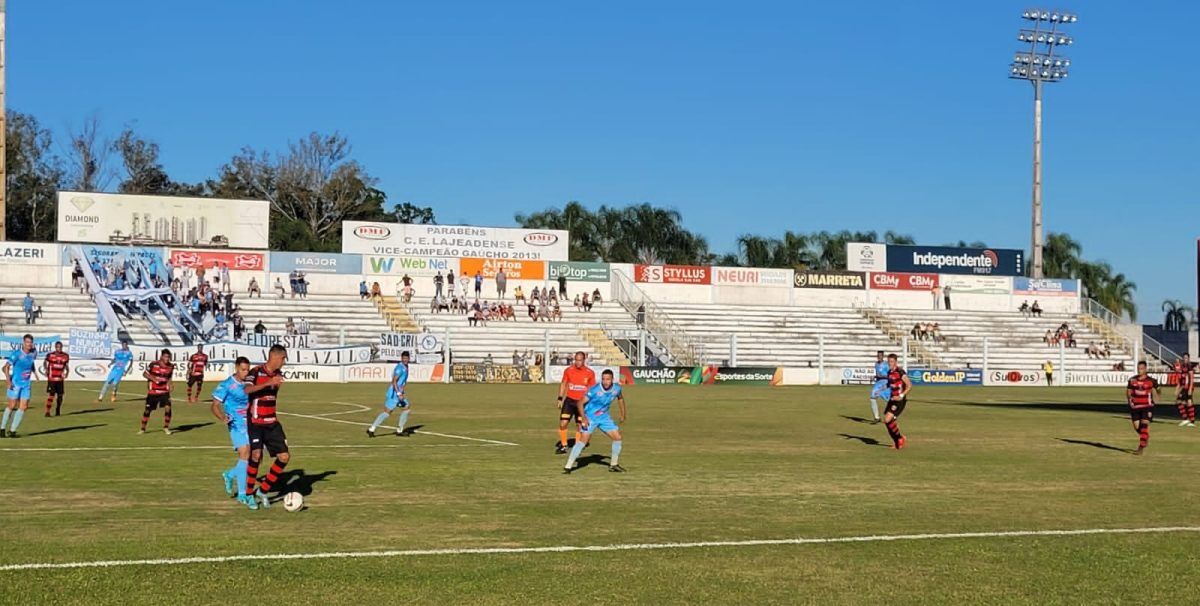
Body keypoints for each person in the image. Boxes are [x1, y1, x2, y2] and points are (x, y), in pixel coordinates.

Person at [211, 357, 261, 510]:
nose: (245, 373)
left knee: (254, 456)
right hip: (235, 423)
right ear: (236, 368)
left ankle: (230, 474)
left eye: (247, 369)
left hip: (250, 423)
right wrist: (222, 417)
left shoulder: (250, 384)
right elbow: (214, 405)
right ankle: (242, 494)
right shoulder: (227, 385)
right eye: (242, 369)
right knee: (244, 453)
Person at [245, 345, 289, 508]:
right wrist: (268, 383)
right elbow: (247, 389)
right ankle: (249, 495)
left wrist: (273, 383)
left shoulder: (278, 375)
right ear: (276, 357)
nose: (284, 362)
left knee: (284, 457)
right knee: (256, 455)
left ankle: (262, 491)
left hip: (272, 422)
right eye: (283, 359)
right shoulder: (256, 372)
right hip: (256, 421)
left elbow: (273, 391)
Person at [563, 369, 627, 474]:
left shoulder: (617, 388)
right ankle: (568, 466)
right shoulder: (595, 390)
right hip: (590, 417)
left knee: (617, 438)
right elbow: (580, 403)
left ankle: (614, 465)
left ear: (612, 380)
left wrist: (623, 414)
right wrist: (583, 418)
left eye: (608, 379)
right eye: (603, 379)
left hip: (604, 417)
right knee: (583, 441)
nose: (605, 382)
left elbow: (620, 398)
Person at [556, 352, 596, 455]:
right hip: (569, 401)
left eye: (580, 360)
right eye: (576, 360)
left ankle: (577, 446)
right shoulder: (568, 370)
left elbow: (592, 389)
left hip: (582, 403)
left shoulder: (590, 373)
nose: (578, 362)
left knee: (579, 425)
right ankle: (564, 446)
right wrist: (560, 398)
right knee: (563, 423)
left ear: (584, 360)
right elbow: (564, 383)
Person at [367, 351, 412, 437]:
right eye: (404, 358)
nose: (405, 360)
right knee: (387, 412)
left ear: (409, 358)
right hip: (394, 394)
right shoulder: (399, 368)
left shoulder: (406, 366)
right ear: (401, 358)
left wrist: (402, 389)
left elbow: (402, 381)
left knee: (406, 408)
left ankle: (399, 430)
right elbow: (394, 381)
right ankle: (371, 429)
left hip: (398, 393)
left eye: (407, 358)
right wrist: (398, 393)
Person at [2, 334, 38, 438]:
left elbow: (31, 363)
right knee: (11, 406)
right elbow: (5, 367)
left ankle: (12, 431)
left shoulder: (33, 353)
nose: (29, 344)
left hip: (26, 385)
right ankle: (2, 428)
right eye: (27, 342)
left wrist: (34, 372)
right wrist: (8, 381)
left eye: (30, 342)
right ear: (23, 343)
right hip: (16, 384)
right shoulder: (17, 354)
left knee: (24, 406)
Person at [140, 349, 176, 435]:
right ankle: (142, 429)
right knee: (148, 410)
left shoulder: (171, 366)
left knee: (168, 407)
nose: (167, 359)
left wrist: (171, 384)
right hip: (153, 392)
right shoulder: (153, 364)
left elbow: (169, 377)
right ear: (161, 356)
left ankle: (166, 427)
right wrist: (153, 379)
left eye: (168, 357)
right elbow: (144, 374)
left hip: (164, 391)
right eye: (166, 356)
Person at [1127, 361, 1159, 455]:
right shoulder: (1132, 380)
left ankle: (1141, 447)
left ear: (1145, 369)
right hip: (1135, 406)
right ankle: (1145, 437)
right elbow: (1129, 391)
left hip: (1147, 406)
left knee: (1144, 426)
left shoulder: (1151, 380)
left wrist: (1157, 397)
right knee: (1138, 428)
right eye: (1138, 368)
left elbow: (1158, 389)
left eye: (1141, 369)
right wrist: (1129, 399)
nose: (1139, 370)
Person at [881, 353, 912, 449]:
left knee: (887, 419)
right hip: (892, 399)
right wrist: (882, 388)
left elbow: (909, 385)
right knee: (887, 421)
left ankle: (899, 438)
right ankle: (898, 440)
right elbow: (891, 383)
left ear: (895, 362)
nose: (890, 363)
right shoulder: (889, 372)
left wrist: (901, 396)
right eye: (888, 361)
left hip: (899, 400)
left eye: (891, 361)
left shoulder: (900, 372)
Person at [42, 341, 71, 417]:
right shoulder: (50, 355)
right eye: (58, 347)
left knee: (60, 395)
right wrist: (46, 369)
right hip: (52, 378)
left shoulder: (65, 356)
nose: (59, 349)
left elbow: (66, 365)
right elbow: (45, 362)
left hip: (60, 378)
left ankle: (58, 409)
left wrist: (67, 372)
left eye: (60, 347)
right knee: (51, 395)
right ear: (55, 347)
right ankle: (47, 411)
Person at [868, 350, 890, 423]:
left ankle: (891, 415)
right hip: (878, 383)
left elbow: (889, 375)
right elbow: (878, 375)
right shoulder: (876, 364)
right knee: (872, 398)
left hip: (885, 382)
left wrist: (882, 376)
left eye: (880, 356)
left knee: (889, 399)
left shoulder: (886, 365)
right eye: (878, 356)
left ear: (883, 356)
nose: (879, 357)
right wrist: (874, 377)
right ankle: (876, 417)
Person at [1176, 354, 1195, 427]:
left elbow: (1191, 378)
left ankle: (1191, 420)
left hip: (1188, 387)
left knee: (1188, 402)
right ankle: (1186, 419)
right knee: (1180, 402)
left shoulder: (1189, 367)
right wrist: (1178, 387)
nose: (1185, 359)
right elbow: (1180, 378)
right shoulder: (1182, 366)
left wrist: (1190, 388)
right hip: (1183, 387)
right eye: (1184, 358)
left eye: (1186, 358)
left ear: (1189, 358)